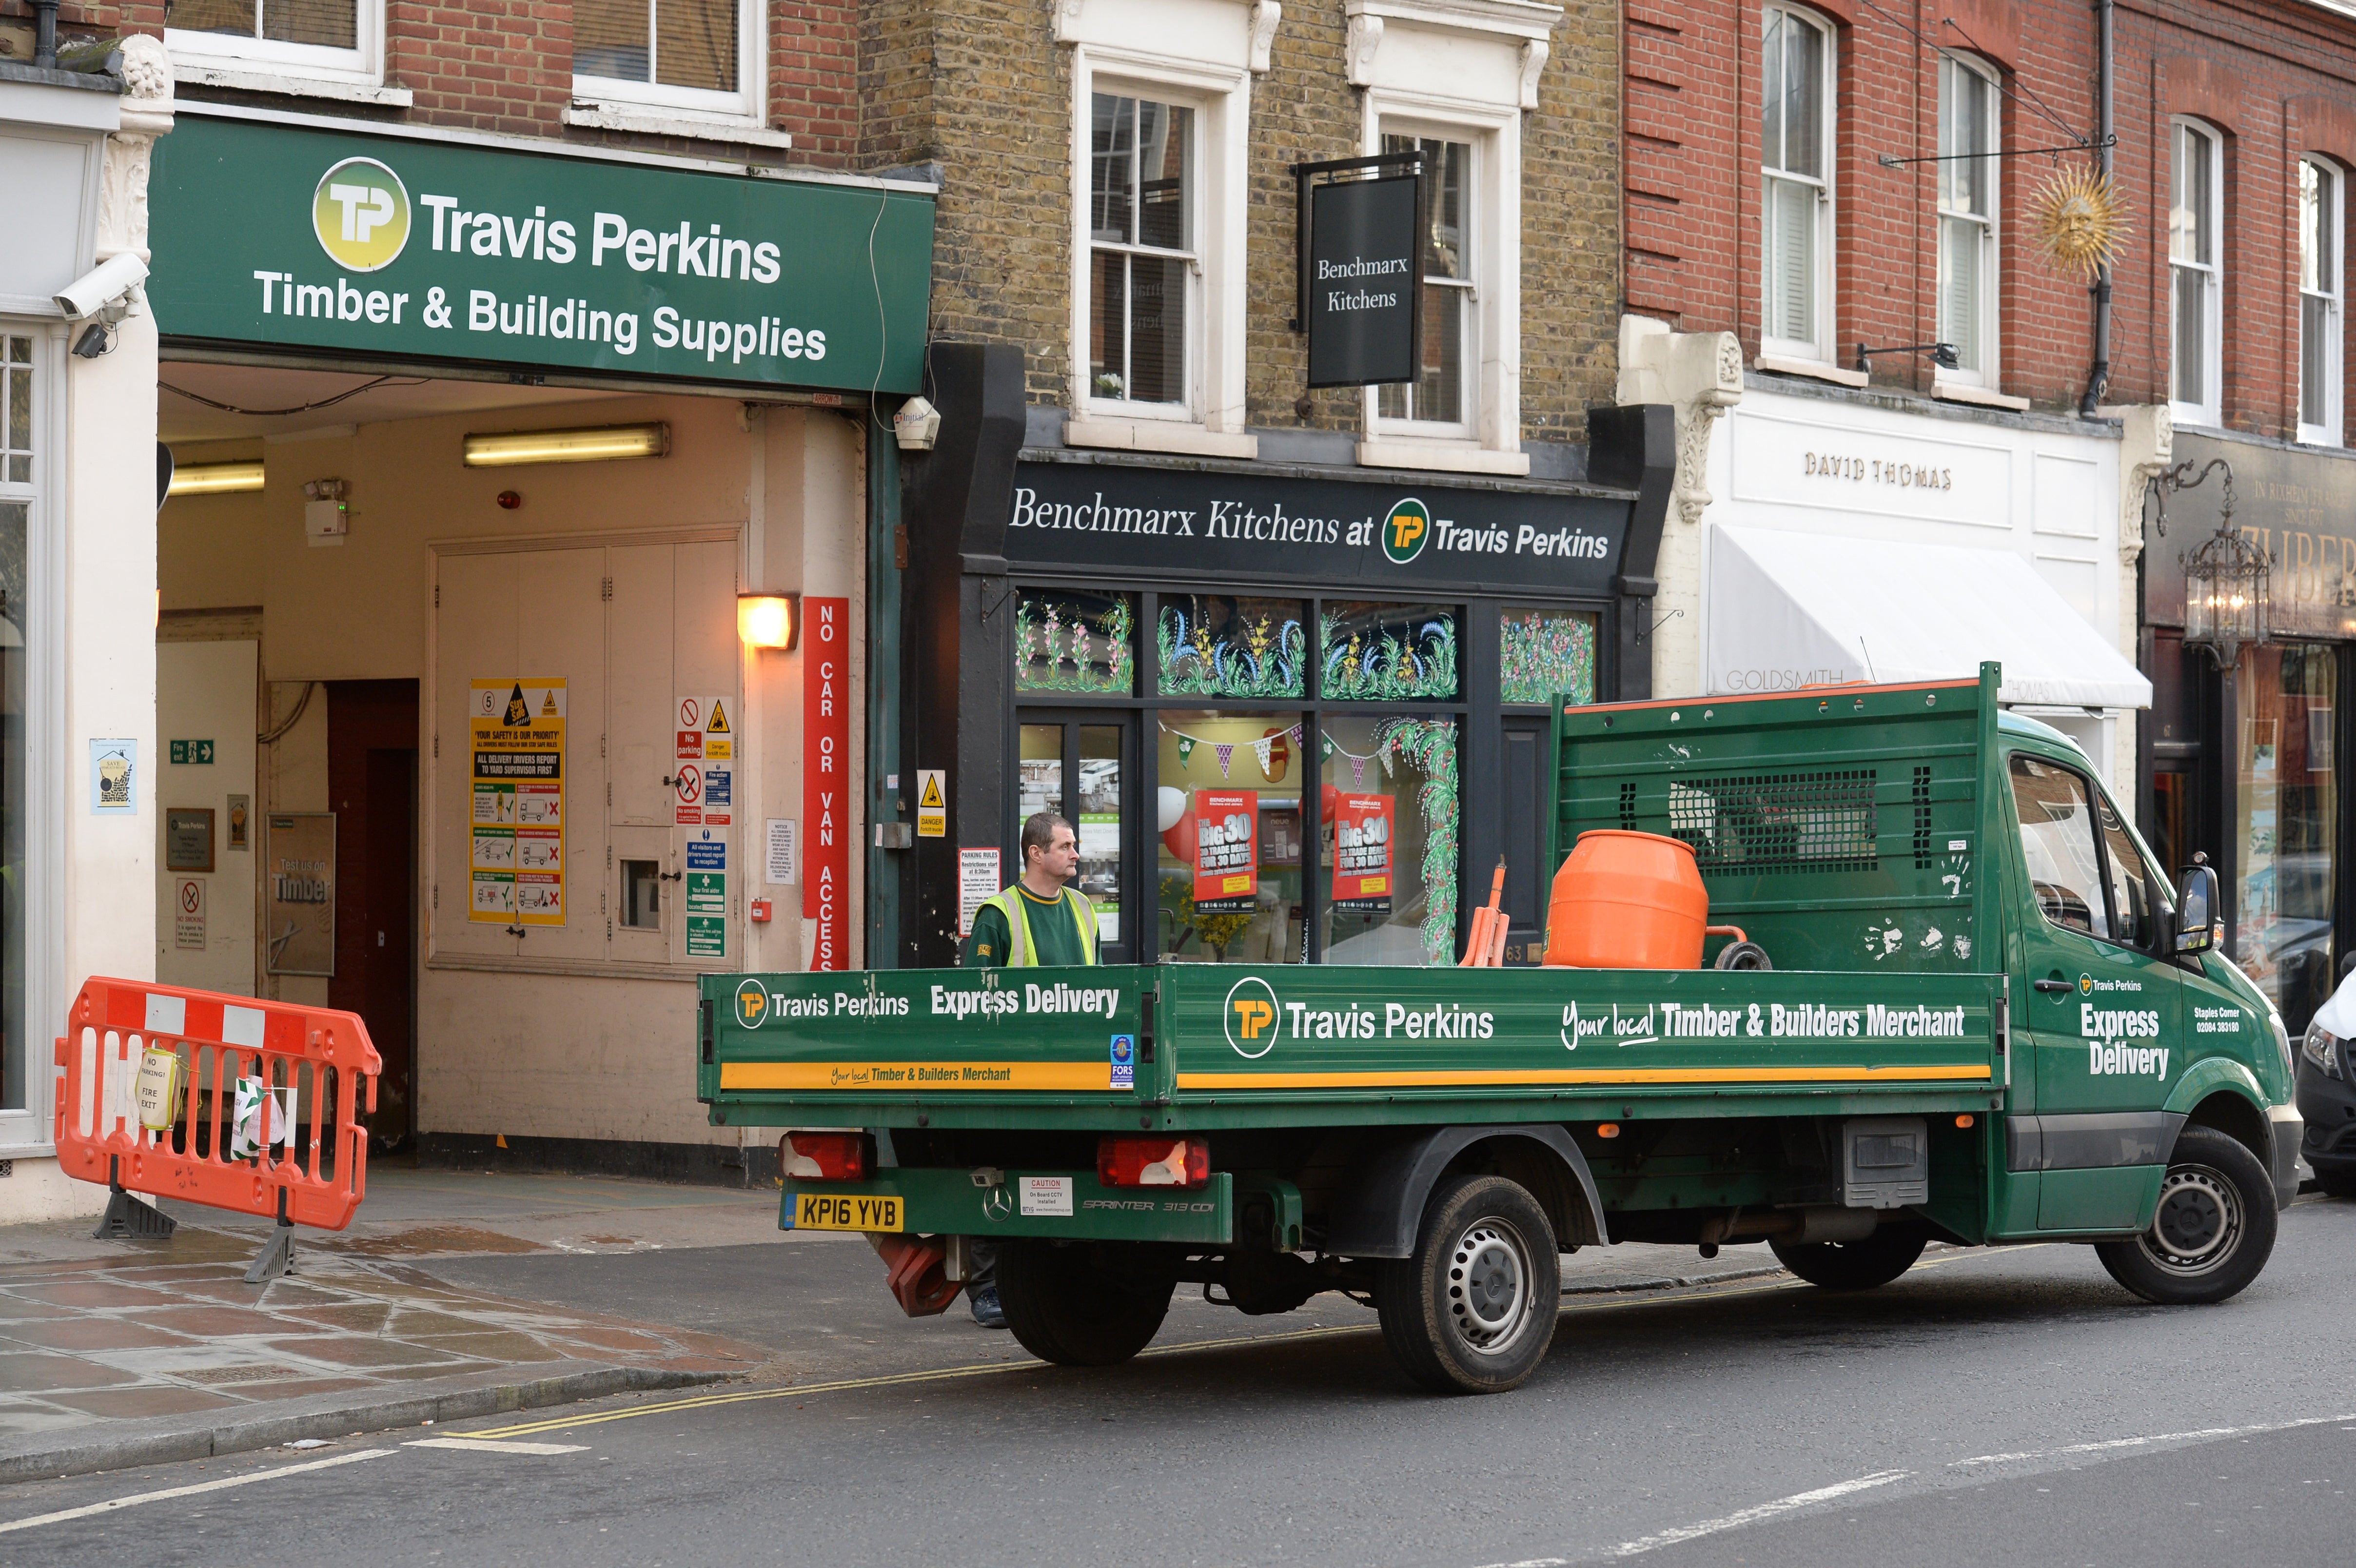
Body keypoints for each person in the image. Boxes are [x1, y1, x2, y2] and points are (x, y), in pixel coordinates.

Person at [955, 811, 1099, 1328]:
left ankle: (1051, 1283)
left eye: (1074, 845)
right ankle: (988, 1288)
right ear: (1036, 854)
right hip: (1014, 1073)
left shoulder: (1083, 908)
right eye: (1065, 846)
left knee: (1063, 1177)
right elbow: (972, 1000)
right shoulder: (999, 913)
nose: (1075, 854)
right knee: (1001, 1176)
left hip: (1076, 1073)